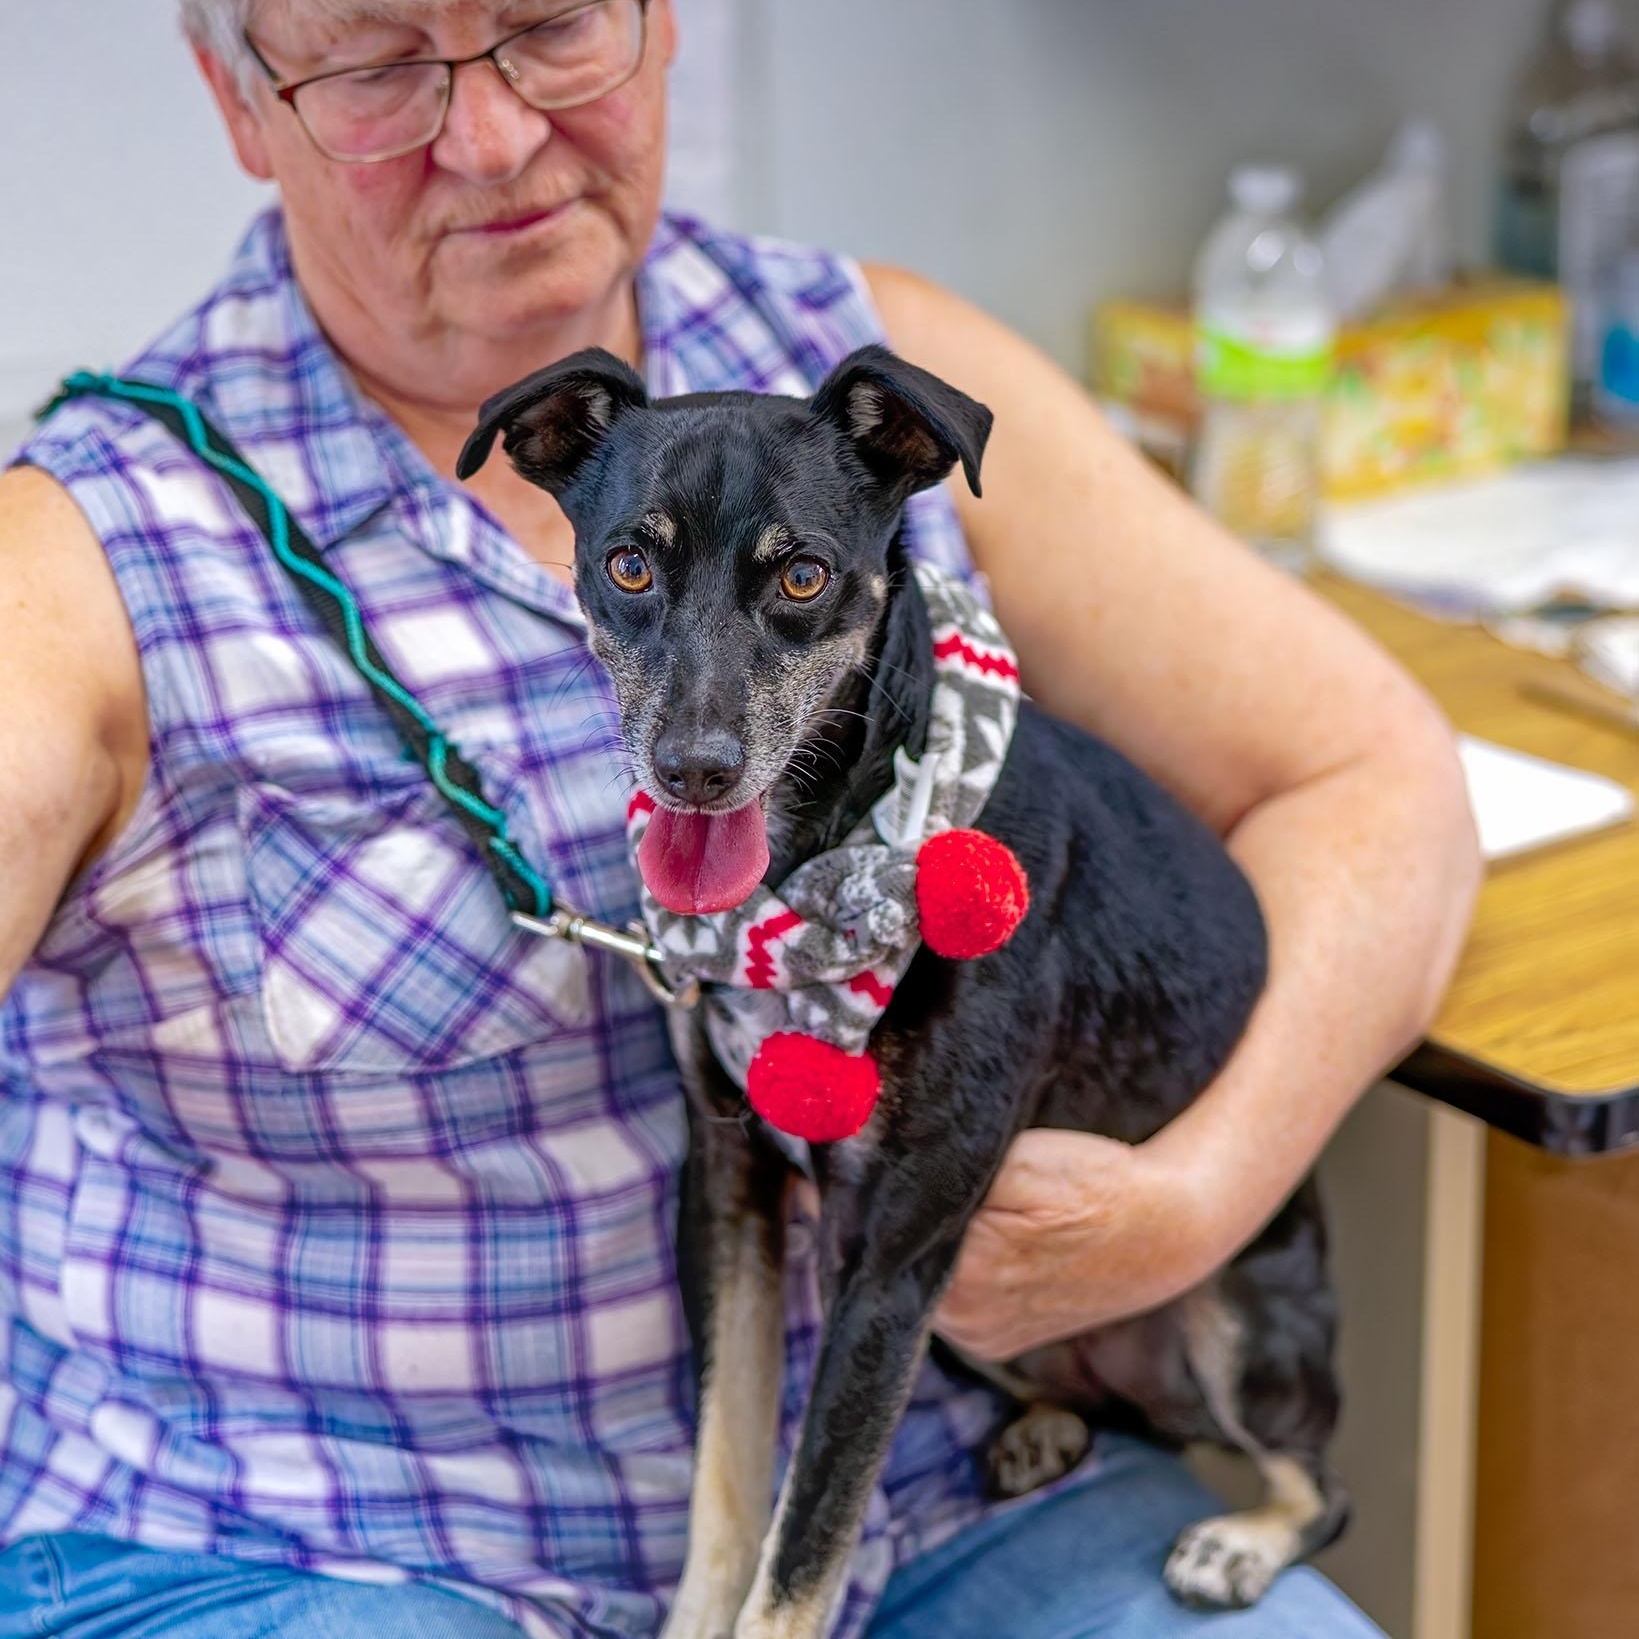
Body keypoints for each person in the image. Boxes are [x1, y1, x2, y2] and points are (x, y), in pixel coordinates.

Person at [0, 3, 1480, 1636]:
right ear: (238, 97)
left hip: (943, 1485)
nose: (488, 135)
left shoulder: (870, 354)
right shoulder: (80, 554)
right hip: (309, 1544)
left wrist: (1192, 1202)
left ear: (660, 27)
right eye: (373, 60)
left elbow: (1378, 782)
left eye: (550, 26)